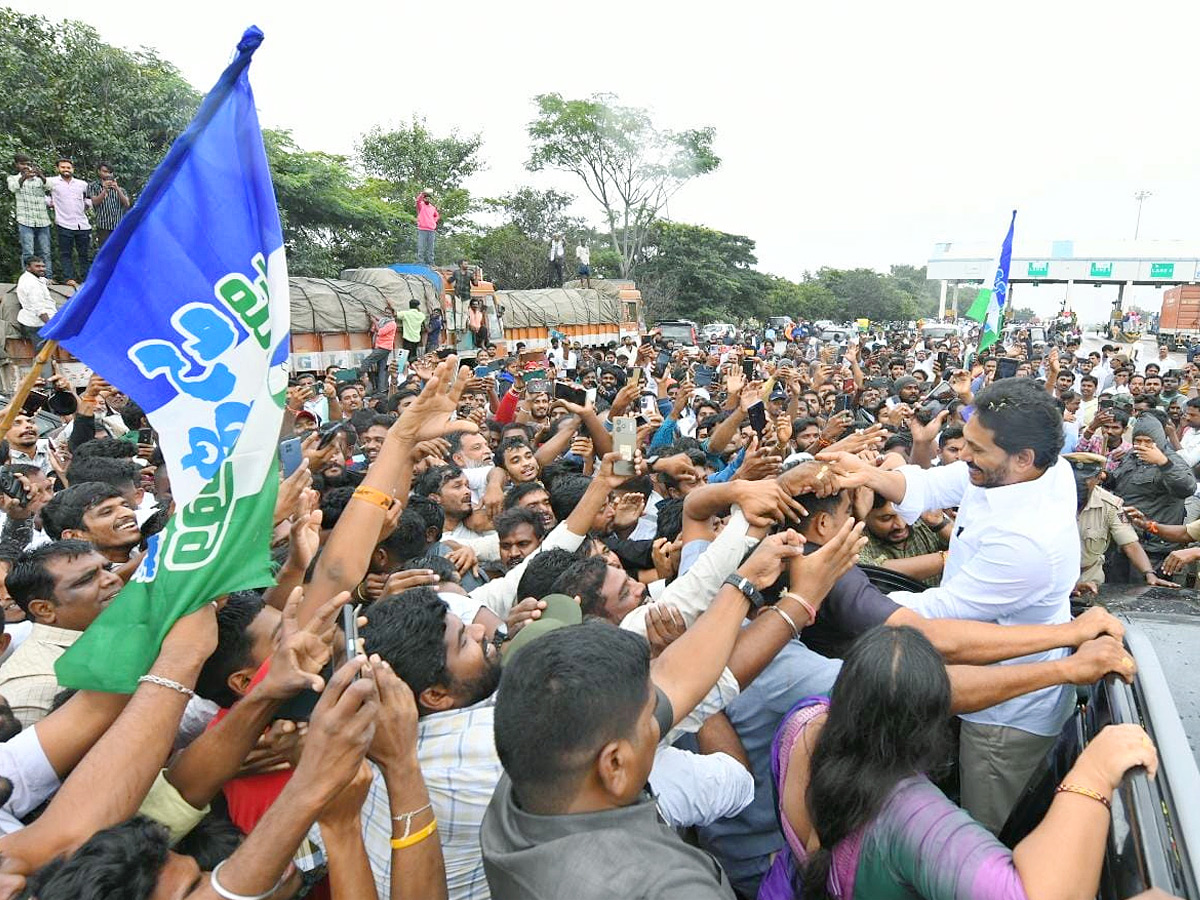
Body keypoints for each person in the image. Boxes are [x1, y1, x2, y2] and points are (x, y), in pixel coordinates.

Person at [821, 378, 1081, 832]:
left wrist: (838, 591)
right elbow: (941, 483)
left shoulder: (1029, 542)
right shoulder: (1027, 468)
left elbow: (943, 613)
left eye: (978, 451)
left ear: (1024, 458)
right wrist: (870, 475)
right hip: (976, 684)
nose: (964, 456)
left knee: (985, 836)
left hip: (1004, 717)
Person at [762, 624, 1156, 900]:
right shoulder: (909, 815)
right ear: (932, 721)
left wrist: (1062, 670)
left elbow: (889, 691)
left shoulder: (801, 725)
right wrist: (1094, 774)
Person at [0, 540, 122, 727]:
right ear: (44, 609)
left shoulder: (109, 634)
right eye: (87, 579)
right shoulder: (35, 689)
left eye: (107, 568)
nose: (111, 579)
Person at [1066, 452, 1174, 596]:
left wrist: (1149, 573)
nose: (1079, 483)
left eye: (1085, 479)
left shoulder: (1111, 505)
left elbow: (1129, 543)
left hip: (1090, 581)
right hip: (1054, 580)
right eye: (1074, 479)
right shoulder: (1046, 502)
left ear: (1098, 478)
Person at [857, 493, 951, 588]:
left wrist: (940, 524)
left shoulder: (925, 522)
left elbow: (964, 547)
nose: (901, 525)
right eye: (887, 518)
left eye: (906, 513)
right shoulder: (857, 538)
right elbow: (873, 570)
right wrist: (947, 558)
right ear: (865, 516)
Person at [45, 157, 92, 286]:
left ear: (73, 169)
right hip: (64, 223)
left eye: (68, 167)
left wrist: (87, 204)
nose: (66, 170)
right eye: (63, 167)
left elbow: (89, 199)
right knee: (66, 253)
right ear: (58, 168)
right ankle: (69, 278)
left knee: (84, 254)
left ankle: (87, 279)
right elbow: (38, 191)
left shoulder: (82, 184)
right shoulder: (51, 182)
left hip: (82, 224)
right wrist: (49, 202)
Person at [8, 154, 53, 277]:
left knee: (45, 252)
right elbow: (13, 188)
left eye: (28, 164)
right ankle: (28, 278)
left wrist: (41, 175)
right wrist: (24, 177)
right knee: (28, 252)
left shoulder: (39, 179)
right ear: (16, 165)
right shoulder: (13, 178)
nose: (26, 166)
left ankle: (47, 277)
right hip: (25, 220)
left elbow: (50, 186)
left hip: (43, 220)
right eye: (22, 164)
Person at [85, 162, 131, 249]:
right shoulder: (93, 186)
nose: (108, 174)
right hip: (103, 226)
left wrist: (117, 188)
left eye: (110, 172)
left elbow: (127, 204)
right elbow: (95, 202)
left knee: (118, 250)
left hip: (118, 225)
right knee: (105, 250)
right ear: (99, 172)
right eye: (105, 171)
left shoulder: (120, 189)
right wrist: (104, 189)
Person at [15, 256, 57, 347]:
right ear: (28, 267)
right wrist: (50, 326)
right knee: (42, 353)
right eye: (37, 266)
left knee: (47, 352)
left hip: (43, 320)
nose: (42, 269)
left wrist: (48, 281)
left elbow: (42, 280)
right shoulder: (30, 283)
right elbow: (39, 309)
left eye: (43, 266)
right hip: (37, 323)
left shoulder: (36, 277)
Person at [417, 189, 440, 264]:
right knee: (421, 247)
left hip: (431, 230)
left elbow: (437, 216)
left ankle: (431, 263)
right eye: (426, 198)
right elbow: (417, 201)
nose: (427, 199)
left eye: (428, 198)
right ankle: (421, 262)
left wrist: (433, 221)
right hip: (422, 229)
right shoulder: (421, 205)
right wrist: (422, 194)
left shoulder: (433, 208)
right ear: (424, 198)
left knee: (431, 248)